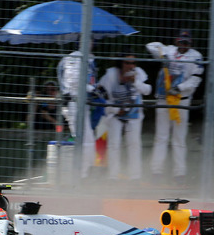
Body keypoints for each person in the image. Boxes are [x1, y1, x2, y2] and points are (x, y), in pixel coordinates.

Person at [146, 29, 204, 184]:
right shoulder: (169, 50)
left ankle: (179, 174)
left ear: (190, 43)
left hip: (181, 100)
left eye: (186, 42)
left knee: (179, 138)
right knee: (161, 136)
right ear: (176, 40)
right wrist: (163, 55)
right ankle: (156, 172)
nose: (183, 45)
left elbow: (195, 80)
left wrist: (179, 88)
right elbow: (150, 45)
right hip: (164, 99)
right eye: (181, 41)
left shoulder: (196, 56)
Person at [96, 51, 151, 181]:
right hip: (115, 114)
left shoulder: (139, 73)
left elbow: (148, 90)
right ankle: (113, 176)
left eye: (133, 62)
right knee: (114, 144)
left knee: (134, 144)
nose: (131, 66)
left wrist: (136, 82)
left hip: (134, 114)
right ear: (121, 63)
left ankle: (135, 177)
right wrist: (115, 110)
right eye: (127, 63)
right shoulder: (111, 75)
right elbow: (100, 95)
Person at [57, 41, 98, 178]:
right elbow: (73, 82)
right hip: (73, 103)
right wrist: (92, 90)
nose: (92, 43)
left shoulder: (87, 58)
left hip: (82, 103)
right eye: (89, 40)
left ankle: (86, 172)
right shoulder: (74, 58)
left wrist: (94, 90)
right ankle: (81, 175)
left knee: (88, 139)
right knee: (84, 140)